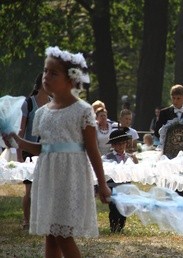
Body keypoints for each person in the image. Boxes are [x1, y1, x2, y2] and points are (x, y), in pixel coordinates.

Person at [2, 46, 111, 257]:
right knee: (50, 235)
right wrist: (17, 140)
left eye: (53, 73)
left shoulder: (83, 110)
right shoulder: (43, 113)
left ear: (70, 80)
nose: (46, 76)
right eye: (45, 71)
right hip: (47, 177)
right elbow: (43, 148)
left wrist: (103, 183)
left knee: (63, 235)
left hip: (70, 178)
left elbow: (92, 149)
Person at [16, 73, 51, 230]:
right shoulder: (28, 103)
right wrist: (19, 156)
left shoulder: (52, 104)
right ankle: (27, 220)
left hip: (45, 151)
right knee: (29, 191)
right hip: (28, 152)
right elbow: (21, 131)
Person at [102, 129, 138, 233]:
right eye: (118, 144)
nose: (121, 146)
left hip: (125, 187)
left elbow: (134, 169)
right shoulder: (107, 157)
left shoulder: (129, 158)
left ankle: (121, 226)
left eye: (123, 143)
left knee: (124, 208)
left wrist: (135, 161)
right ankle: (113, 227)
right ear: (113, 145)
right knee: (114, 208)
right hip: (113, 187)